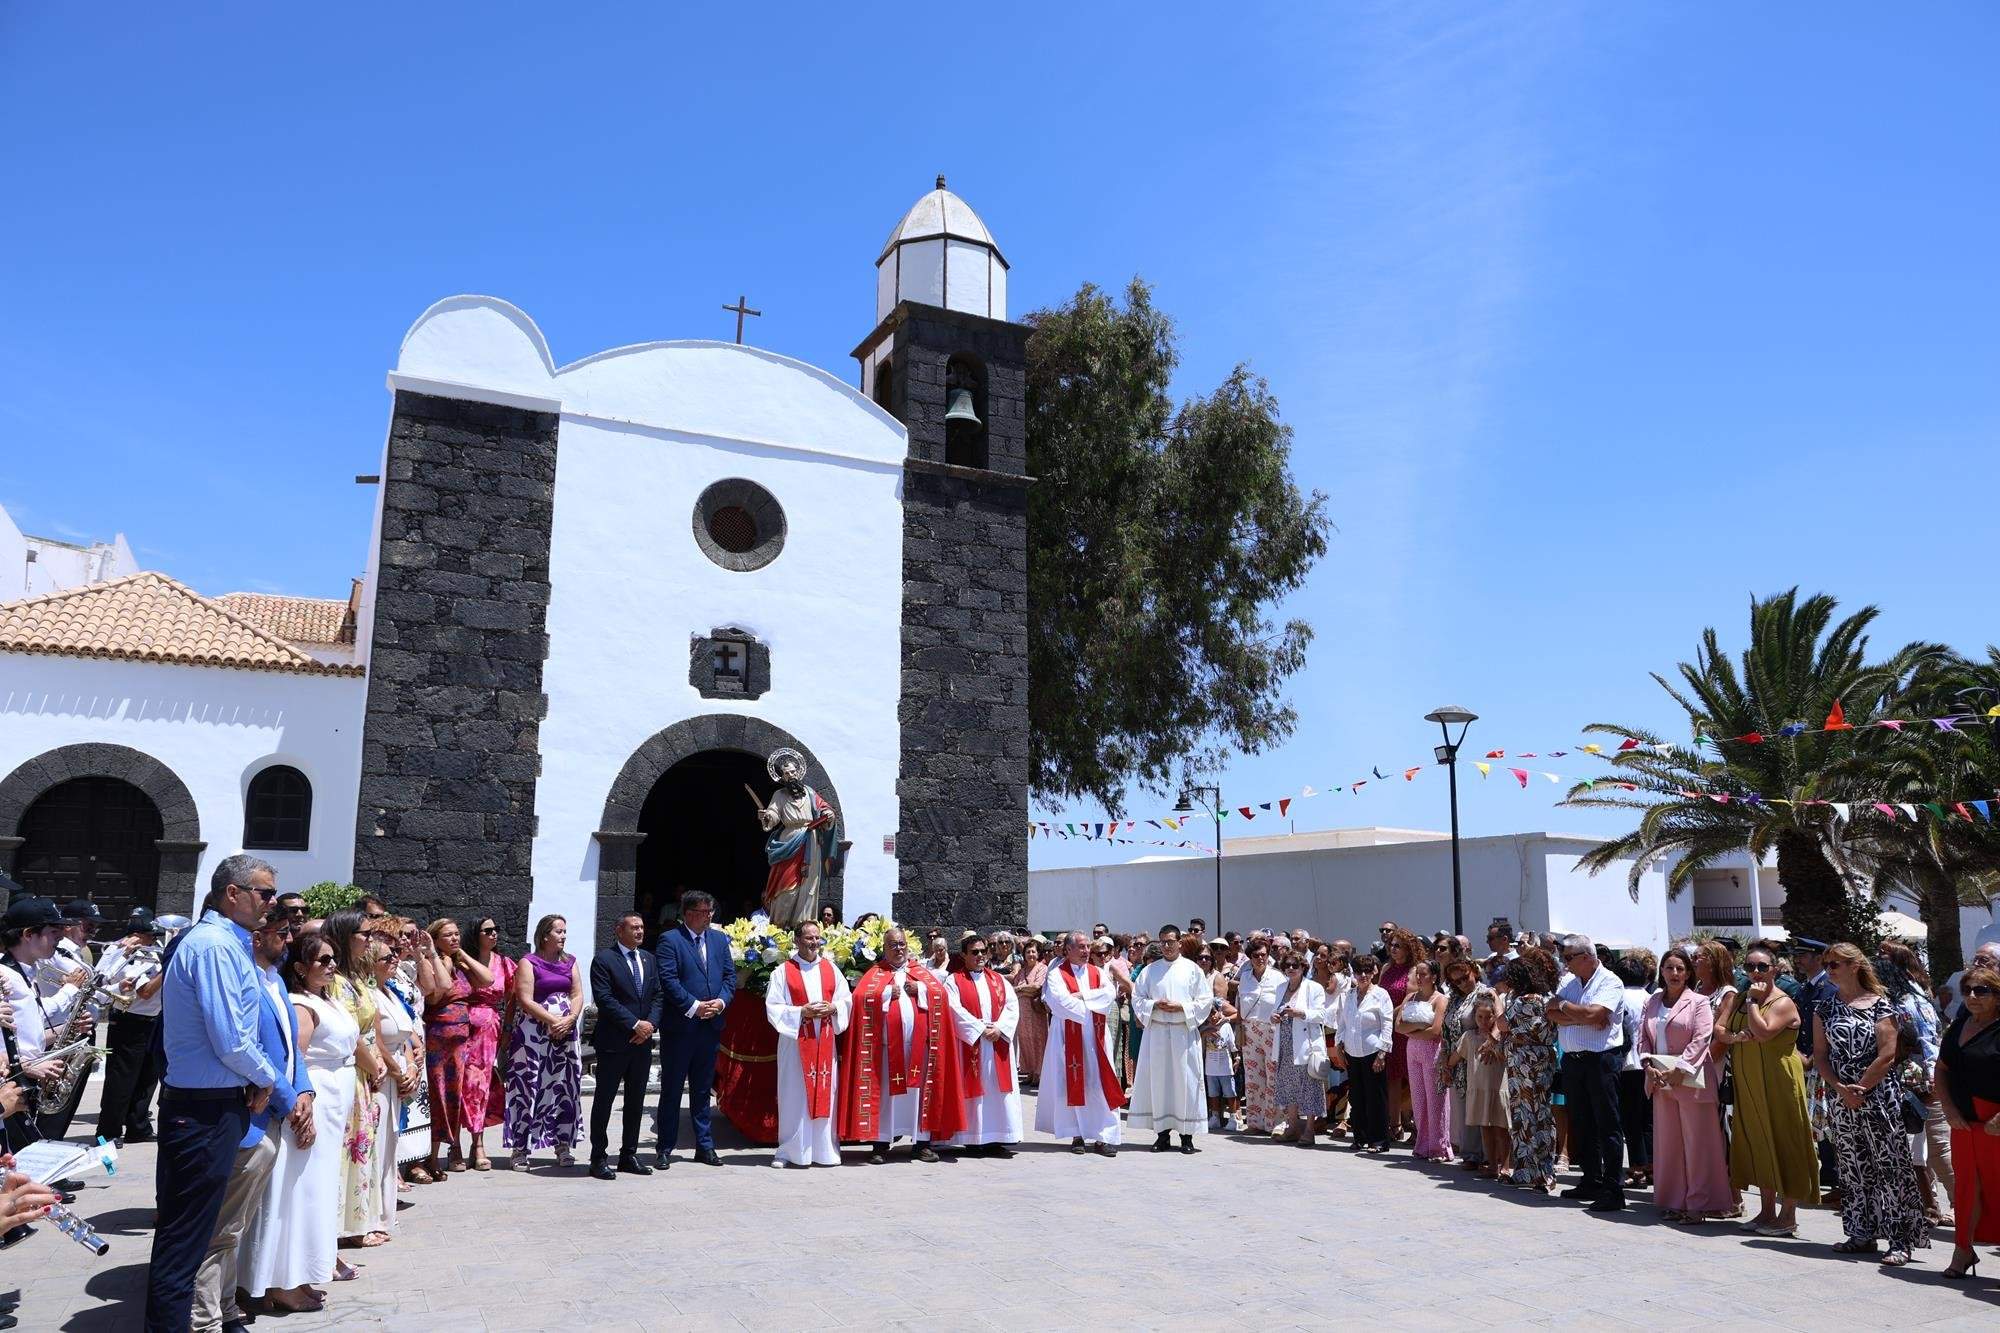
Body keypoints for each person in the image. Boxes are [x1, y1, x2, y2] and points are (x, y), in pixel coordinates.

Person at [145, 855, 283, 1332]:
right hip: (202, 1110)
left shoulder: (227, 943)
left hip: (214, 1105)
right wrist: (266, 1077)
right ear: (233, 893)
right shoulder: (214, 947)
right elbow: (231, 1039)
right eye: (264, 893)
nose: (271, 903)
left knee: (198, 1232)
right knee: (186, 1240)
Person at [194, 910, 311, 1333]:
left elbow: (291, 1050)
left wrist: (303, 1090)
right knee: (221, 1228)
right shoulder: (243, 981)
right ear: (256, 937)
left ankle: (225, 1309)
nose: (288, 938)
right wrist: (285, 1096)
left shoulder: (275, 980)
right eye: (281, 932)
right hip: (253, 1116)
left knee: (236, 1226)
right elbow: (247, 1048)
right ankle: (205, 1318)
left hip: (273, 1113)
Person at [241, 928, 357, 1314]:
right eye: (323, 960)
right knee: (295, 1190)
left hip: (331, 1097)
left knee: (316, 1190)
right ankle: (279, 1280)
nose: (331, 965)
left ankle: (300, 1273)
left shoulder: (326, 998)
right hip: (309, 1102)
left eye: (333, 959)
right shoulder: (300, 1004)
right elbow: (296, 1059)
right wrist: (299, 1104)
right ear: (302, 967)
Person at [1813, 942, 1928, 1266]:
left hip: (1878, 1097)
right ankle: (1860, 1233)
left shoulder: (1881, 1005)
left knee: (1889, 1168)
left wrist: (1860, 1088)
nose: (1830, 969)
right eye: (1827, 963)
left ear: (1855, 965)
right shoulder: (1824, 1008)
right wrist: (1840, 1089)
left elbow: (1888, 1053)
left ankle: (1899, 1240)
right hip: (1842, 1099)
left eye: (1835, 963)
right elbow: (1821, 1055)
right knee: (1852, 1167)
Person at [838, 926, 964, 1162]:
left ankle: (922, 1144)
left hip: (919, 1049)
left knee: (919, 1096)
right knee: (886, 1097)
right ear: (884, 949)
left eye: (902, 944)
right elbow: (860, 997)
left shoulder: (921, 972)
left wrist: (922, 989)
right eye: (893, 945)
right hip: (886, 1051)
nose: (899, 949)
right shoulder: (876, 973)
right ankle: (880, 1144)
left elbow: (941, 995)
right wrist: (885, 993)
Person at [1722, 942, 1818, 1234]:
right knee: (1759, 1141)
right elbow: (1719, 1030)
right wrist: (1737, 1037)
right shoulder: (1739, 997)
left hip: (1779, 1080)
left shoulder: (1782, 1002)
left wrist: (1752, 1003)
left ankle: (1787, 1215)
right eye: (1749, 966)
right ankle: (1765, 1212)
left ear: (1775, 969)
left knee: (1786, 1142)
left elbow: (1763, 1033)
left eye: (1762, 966)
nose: (1755, 972)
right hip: (1750, 1079)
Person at [1639, 947, 1730, 1223]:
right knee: (1669, 1144)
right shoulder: (1652, 1001)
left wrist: (1681, 1070)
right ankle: (1675, 1201)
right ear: (1662, 971)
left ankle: (1698, 1204)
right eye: (1669, 968)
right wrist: (1648, 1065)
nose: (1675, 973)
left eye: (1680, 968)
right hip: (1660, 1079)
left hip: (1692, 1081)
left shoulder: (1699, 1002)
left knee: (1698, 1144)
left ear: (1689, 973)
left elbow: (1702, 1038)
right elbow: (1643, 1037)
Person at [654, 889, 733, 1168]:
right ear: (688, 913)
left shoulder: (719, 940)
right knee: (672, 1089)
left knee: (702, 1090)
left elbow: (729, 976)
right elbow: (669, 980)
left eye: (710, 912)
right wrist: (695, 1006)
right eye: (703, 912)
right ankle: (664, 1147)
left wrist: (721, 1002)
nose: (709, 917)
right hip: (681, 1028)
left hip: (710, 1026)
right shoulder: (670, 940)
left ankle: (705, 1146)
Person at [1547, 934, 1626, 1211]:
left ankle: (1614, 1188)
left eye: (1567, 957)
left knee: (1608, 1124)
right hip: (1573, 1060)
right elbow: (1551, 1011)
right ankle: (1591, 1179)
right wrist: (1581, 1014)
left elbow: (1595, 1015)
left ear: (1587, 957)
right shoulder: (1568, 982)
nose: (1563, 962)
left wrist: (1569, 1009)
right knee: (1582, 1122)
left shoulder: (1610, 981)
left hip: (1601, 1060)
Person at [764, 919, 852, 1167]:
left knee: (826, 1091)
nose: (814, 943)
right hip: (795, 1044)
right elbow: (773, 1006)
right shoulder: (782, 972)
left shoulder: (831, 969)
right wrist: (801, 1012)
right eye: (809, 938)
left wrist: (834, 1007)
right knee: (794, 1095)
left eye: (817, 938)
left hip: (824, 1041)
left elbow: (846, 1000)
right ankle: (789, 1151)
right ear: (796, 940)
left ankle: (824, 1150)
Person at [1878, 940, 1952, 1224]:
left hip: (1921, 1083)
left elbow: (1928, 1045)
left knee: (1936, 1149)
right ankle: (1929, 1206)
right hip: (1907, 1082)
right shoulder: (1899, 1000)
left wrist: (1933, 1082)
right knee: (1916, 1151)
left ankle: (1967, 1206)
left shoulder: (1910, 1002)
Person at [327, 910, 389, 1250]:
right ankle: (345, 1225)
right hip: (352, 1072)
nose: (369, 940)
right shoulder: (335, 980)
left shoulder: (357, 977)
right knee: (350, 1149)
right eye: (364, 934)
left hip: (366, 1073)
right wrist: (374, 1064)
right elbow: (348, 1033)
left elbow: (371, 1025)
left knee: (363, 1148)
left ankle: (358, 1220)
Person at [1935, 962, 2000, 1279]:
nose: (1973, 996)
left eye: (1982, 990)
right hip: (1962, 1122)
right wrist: (1948, 1109)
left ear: (1997, 995)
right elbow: (1942, 1069)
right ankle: (1962, 1249)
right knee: (1965, 1190)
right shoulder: (1958, 1026)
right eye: (1968, 990)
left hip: (1995, 1124)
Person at [505, 913, 584, 1169]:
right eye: (558, 931)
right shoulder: (529, 962)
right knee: (529, 1087)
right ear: (545, 934)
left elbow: (578, 994)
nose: (563, 936)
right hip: (533, 1036)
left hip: (565, 1035)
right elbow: (525, 999)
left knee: (563, 1088)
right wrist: (553, 1020)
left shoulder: (571, 962)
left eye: (564, 931)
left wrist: (570, 1019)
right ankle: (520, 1148)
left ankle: (562, 1144)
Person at [1127, 925, 1215, 1154]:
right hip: (1156, 1033)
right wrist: (1153, 1005)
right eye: (1163, 942)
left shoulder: (1192, 969)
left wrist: (1182, 1007)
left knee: (1185, 1083)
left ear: (1179, 942)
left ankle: (1187, 1137)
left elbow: (1205, 1000)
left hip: (1183, 1033)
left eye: (1171, 941)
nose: (1167, 946)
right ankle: (1162, 1135)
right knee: (1159, 1083)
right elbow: (1137, 997)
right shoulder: (1150, 971)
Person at [1036, 931, 1123, 1155]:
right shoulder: (1056, 974)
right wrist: (1090, 1004)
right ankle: (1077, 1134)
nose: (1086, 952)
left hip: (1096, 1036)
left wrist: (1083, 997)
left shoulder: (1098, 972)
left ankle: (1103, 1136)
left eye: (1087, 947)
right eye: (1081, 947)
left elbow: (1109, 995)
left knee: (1098, 1083)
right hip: (1067, 1035)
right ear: (1068, 949)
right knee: (1072, 1083)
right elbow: (1058, 1001)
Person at [587, 912, 660, 1180]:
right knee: (604, 1100)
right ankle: (598, 1157)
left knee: (636, 1101)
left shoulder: (649, 960)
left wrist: (649, 1025)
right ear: (619, 931)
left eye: (642, 927)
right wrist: (634, 1024)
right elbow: (605, 999)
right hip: (614, 1042)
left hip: (641, 1043)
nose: (640, 932)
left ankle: (629, 1154)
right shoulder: (604, 960)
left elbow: (658, 996)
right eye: (634, 927)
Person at [419, 917, 493, 1176]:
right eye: (448, 935)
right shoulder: (429, 963)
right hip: (439, 1037)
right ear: (435, 939)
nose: (454, 938)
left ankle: (450, 1149)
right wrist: (441, 960)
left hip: (461, 1039)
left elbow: (487, 979)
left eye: (457, 934)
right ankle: (430, 1156)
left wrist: (461, 954)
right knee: (436, 1095)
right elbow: (440, 992)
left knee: (455, 1095)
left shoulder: (461, 963)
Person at [95, 907, 168, 1144]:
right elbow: (145, 992)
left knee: (148, 1079)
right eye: (150, 936)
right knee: (121, 1081)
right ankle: (108, 1132)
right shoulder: (126, 955)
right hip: (129, 1022)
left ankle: (138, 1127)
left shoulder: (151, 953)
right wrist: (168, 966)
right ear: (137, 935)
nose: (154, 941)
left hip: (153, 1021)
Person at [945, 932, 1022, 1157]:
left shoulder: (998, 979)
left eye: (983, 951)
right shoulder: (954, 980)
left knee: (997, 1090)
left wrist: (1000, 1029)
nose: (980, 956)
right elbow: (953, 1009)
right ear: (964, 955)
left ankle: (997, 1136)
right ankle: (974, 1138)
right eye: (974, 952)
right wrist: (979, 1029)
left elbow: (1011, 1006)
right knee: (976, 1091)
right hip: (972, 1043)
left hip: (997, 1040)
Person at [1495, 950, 1559, 1192]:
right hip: (1541, 1058)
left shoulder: (1521, 1001)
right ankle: (1543, 1173)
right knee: (1540, 1114)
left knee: (1524, 1116)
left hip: (1522, 1061)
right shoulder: (1545, 999)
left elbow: (1502, 1024)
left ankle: (1529, 1171)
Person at [460, 916, 512, 1170]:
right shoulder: (461, 961)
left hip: (488, 1030)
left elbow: (513, 997)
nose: (494, 934)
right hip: (461, 1026)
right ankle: (454, 1144)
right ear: (476, 934)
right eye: (488, 930)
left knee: (478, 1085)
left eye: (496, 929)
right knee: (458, 1084)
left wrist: (509, 1026)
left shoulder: (503, 963)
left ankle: (477, 1143)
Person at [1334, 953, 1395, 1152]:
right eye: (1358, 971)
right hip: (1352, 1052)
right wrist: (1339, 1046)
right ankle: (1360, 1137)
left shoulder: (1381, 994)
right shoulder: (1348, 996)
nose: (1362, 975)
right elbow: (1341, 1023)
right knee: (1357, 1098)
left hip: (1372, 1052)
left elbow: (1387, 1024)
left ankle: (1378, 1140)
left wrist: (1382, 1053)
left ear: (1374, 972)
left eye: (1367, 971)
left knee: (1376, 1098)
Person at [1269, 948, 1329, 1148]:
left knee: (1310, 1086)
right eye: (1287, 965)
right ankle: (1293, 1126)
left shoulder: (1314, 988)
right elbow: (1274, 1012)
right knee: (1288, 1085)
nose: (1291, 968)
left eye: (1296, 965)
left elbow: (1322, 1015)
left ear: (1304, 967)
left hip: (1306, 1044)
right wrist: (1274, 1017)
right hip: (1285, 1043)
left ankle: (1310, 1130)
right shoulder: (1280, 988)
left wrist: (1300, 1013)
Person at [1450, 992, 1510, 1177]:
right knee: (1485, 1128)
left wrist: (1495, 1049)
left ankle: (1506, 1165)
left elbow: (1507, 1057)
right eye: (1479, 1017)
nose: (1483, 1021)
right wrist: (1445, 1065)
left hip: (1498, 1088)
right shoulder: (1469, 1036)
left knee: (1501, 1129)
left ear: (1495, 1016)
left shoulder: (1500, 1037)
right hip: (1478, 1089)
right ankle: (1492, 1165)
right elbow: (1456, 1056)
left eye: (1488, 1017)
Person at [1398, 960, 1451, 1162]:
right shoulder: (1410, 997)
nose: (1419, 978)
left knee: (1435, 1099)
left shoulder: (1440, 1000)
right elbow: (1399, 1026)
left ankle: (1439, 1146)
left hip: (1432, 1052)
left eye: (1424, 974)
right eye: (1417, 974)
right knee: (1418, 1099)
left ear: (1434, 977)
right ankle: (1422, 1144)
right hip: (1413, 1051)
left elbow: (1435, 1031)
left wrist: (1413, 1029)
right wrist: (1420, 1028)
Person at [1439, 957, 1488, 1168]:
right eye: (1456, 981)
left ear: (1474, 972)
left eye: (1465, 978)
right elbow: (1445, 1031)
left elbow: (1492, 1021)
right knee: (1463, 1108)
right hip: (1455, 1060)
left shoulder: (1485, 993)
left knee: (1480, 1106)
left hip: (1477, 1059)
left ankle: (1487, 1155)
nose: (1462, 984)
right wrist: (1445, 1061)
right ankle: (1470, 1154)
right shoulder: (1454, 999)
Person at [1612, 952, 1655, 1190]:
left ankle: (1637, 1167)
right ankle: (1652, 1166)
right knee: (1649, 1117)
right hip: (1649, 1064)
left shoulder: (1620, 997)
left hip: (1627, 1063)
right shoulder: (1652, 998)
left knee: (1631, 1119)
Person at [1380, 927, 1424, 1141]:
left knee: (1412, 1077)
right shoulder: (1387, 967)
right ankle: (1394, 1123)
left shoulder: (1414, 970)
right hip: (1388, 1029)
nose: (1393, 949)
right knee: (1392, 1078)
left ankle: (1417, 1124)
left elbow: (1410, 1000)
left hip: (1404, 1030)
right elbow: (1379, 995)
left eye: (1398, 945)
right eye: (1391, 945)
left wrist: (1389, 1017)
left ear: (1408, 948)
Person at [1236, 937, 1282, 1134]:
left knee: (1273, 1077)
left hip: (1272, 1030)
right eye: (1256, 955)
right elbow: (1239, 1004)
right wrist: (1239, 1028)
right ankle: (1255, 1122)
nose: (1260, 958)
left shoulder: (1279, 977)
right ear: (1250, 957)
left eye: (1264, 954)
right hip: (1249, 1030)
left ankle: (1276, 1123)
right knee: (1254, 1079)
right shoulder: (1245, 977)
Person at [1011, 937, 1050, 1088]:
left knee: (1038, 1040)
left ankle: (1039, 1073)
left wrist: (1021, 989)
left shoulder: (1042, 968)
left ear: (1038, 953)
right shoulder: (1022, 970)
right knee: (1025, 1040)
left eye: (1033, 951)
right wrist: (1023, 990)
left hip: (1036, 1011)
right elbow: (1014, 989)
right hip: (1022, 1012)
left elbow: (1037, 986)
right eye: (1028, 952)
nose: (1031, 954)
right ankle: (1030, 1071)